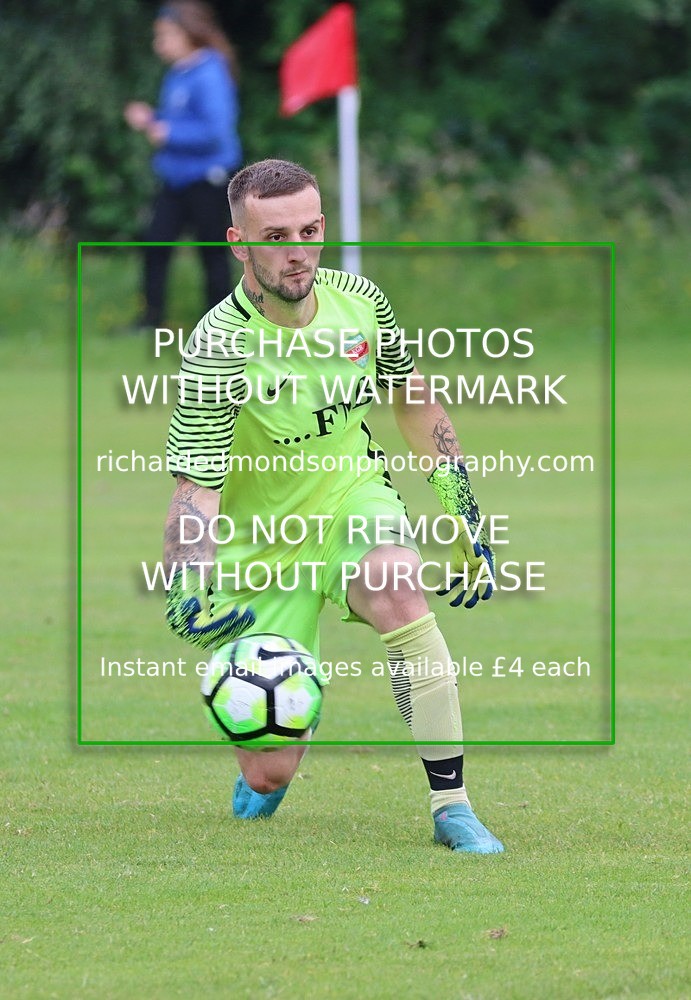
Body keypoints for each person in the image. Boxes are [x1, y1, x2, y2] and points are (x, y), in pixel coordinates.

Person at [163, 159, 504, 854]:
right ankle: (281, 743)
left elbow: (412, 402)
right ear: (238, 243)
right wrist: (186, 578)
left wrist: (461, 509)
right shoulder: (216, 349)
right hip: (259, 541)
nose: (297, 251)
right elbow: (195, 487)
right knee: (265, 774)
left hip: (354, 499)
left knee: (398, 588)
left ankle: (452, 806)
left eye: (310, 230)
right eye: (276, 235)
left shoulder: (361, 302)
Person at [124, 1, 241, 329]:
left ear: (187, 33)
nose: (157, 43)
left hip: (209, 178)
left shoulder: (211, 72)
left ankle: (221, 326)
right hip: (174, 180)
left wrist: (168, 133)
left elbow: (216, 132)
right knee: (155, 244)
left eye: (163, 35)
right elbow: (177, 120)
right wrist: (152, 119)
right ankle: (150, 319)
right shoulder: (177, 74)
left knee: (213, 253)